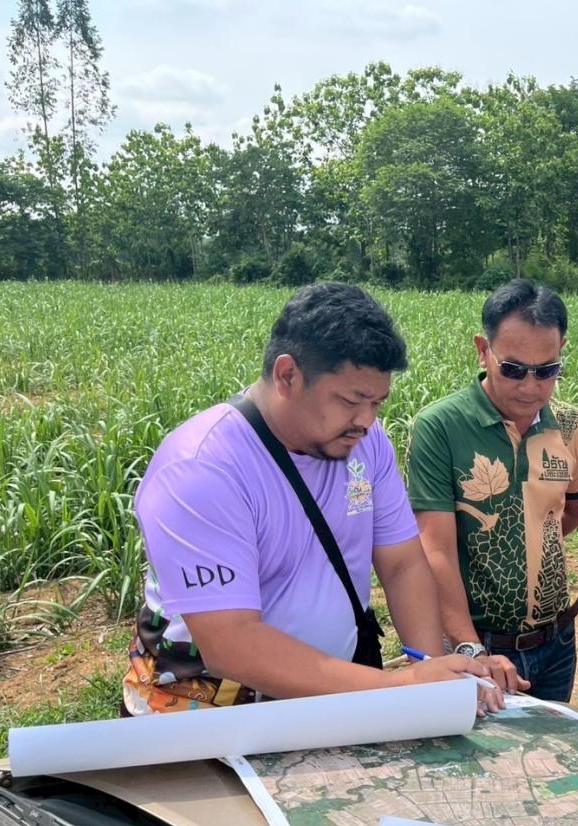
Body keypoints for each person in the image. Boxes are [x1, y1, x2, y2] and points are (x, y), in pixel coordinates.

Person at [123, 282, 524, 716]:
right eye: (352, 400)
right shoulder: (203, 468)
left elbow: (403, 563)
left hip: (332, 696)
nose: (367, 420)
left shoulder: (366, 445)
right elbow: (230, 642)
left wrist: (430, 669)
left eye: (378, 402)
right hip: (208, 713)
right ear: (288, 375)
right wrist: (401, 689)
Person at [407, 280, 578, 700]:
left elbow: (574, 511)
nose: (530, 387)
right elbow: (434, 548)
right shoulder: (441, 428)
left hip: (555, 645)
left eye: (546, 371)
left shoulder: (570, 427)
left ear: (561, 351)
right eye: (513, 369)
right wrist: (470, 647)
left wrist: (527, 542)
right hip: (475, 648)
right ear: (483, 350)